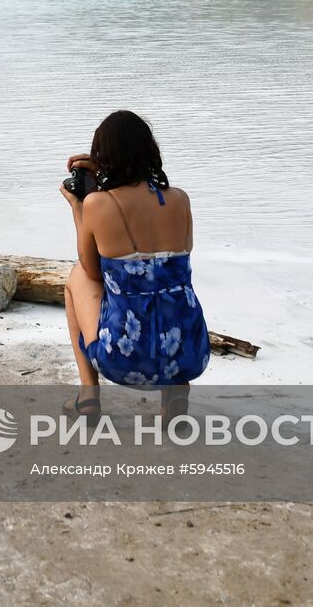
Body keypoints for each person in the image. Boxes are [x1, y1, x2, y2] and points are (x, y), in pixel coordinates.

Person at [61, 110, 210, 420]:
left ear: (104, 158)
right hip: (190, 353)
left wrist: (79, 207)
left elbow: (91, 269)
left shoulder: (97, 204)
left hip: (124, 360)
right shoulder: (180, 199)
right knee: (166, 287)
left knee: (76, 277)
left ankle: (89, 394)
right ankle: (176, 390)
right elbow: (174, 262)